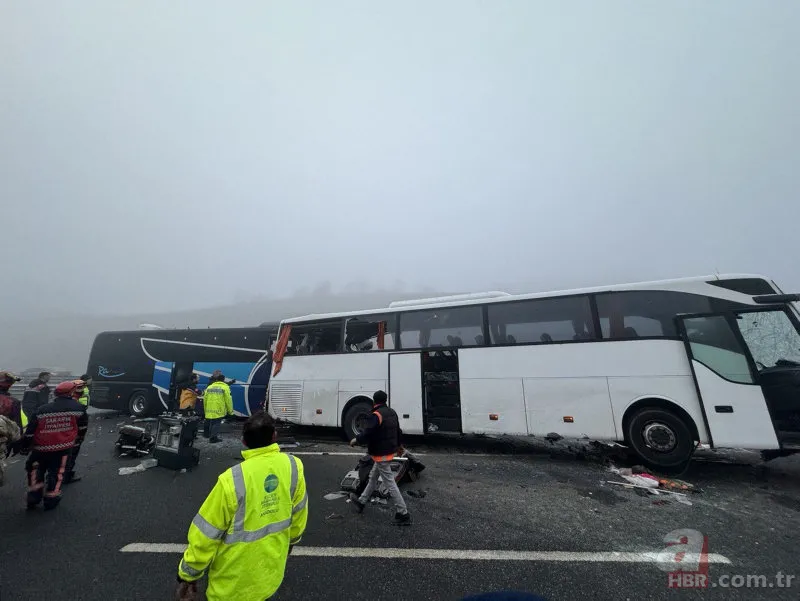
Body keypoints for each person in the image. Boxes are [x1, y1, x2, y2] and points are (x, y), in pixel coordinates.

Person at [176, 412, 308, 601]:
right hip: (269, 578)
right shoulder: (294, 466)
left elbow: (205, 536)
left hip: (231, 587)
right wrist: (291, 542)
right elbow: (299, 513)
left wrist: (188, 575)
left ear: (243, 442)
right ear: (274, 437)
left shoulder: (232, 480)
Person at [21, 380, 88, 510]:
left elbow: (30, 431)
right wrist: (78, 441)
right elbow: (82, 428)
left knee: (34, 469)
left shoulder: (42, 410)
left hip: (40, 448)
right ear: (71, 392)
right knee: (57, 472)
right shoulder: (79, 409)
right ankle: (51, 498)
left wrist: (25, 446)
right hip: (63, 449)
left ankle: (33, 496)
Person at [349, 390, 410, 525]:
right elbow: (398, 431)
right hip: (389, 451)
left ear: (374, 401)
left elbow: (367, 433)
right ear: (385, 400)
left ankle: (403, 513)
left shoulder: (376, 415)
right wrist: (399, 446)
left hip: (381, 453)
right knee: (373, 477)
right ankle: (362, 501)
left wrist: (356, 440)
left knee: (390, 483)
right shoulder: (391, 412)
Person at [202, 372, 232, 443]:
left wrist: (205, 409)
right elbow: (228, 400)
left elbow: (205, 399)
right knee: (216, 423)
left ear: (216, 379)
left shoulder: (209, 387)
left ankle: (210, 435)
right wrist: (230, 411)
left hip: (209, 409)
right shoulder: (225, 387)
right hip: (219, 409)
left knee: (212, 422)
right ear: (223, 380)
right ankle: (213, 438)